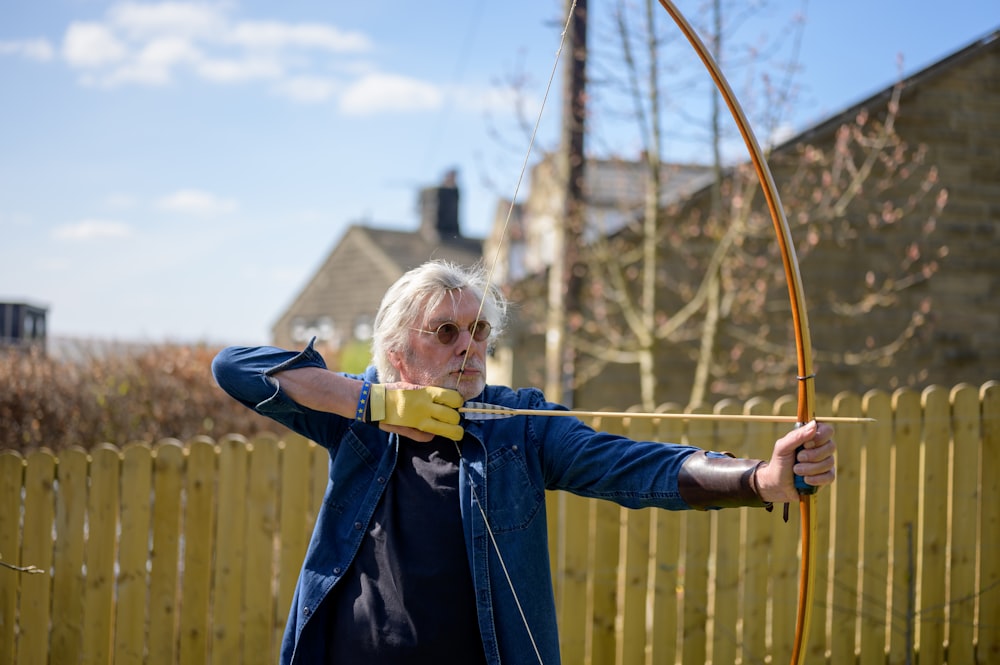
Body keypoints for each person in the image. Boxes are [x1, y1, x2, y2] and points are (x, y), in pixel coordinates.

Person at [212, 259, 836, 665]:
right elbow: (234, 368)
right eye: (447, 332)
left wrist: (760, 479)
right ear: (400, 353)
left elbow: (628, 464)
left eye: (479, 330)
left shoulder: (519, 425)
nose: (470, 346)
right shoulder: (361, 422)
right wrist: (375, 402)